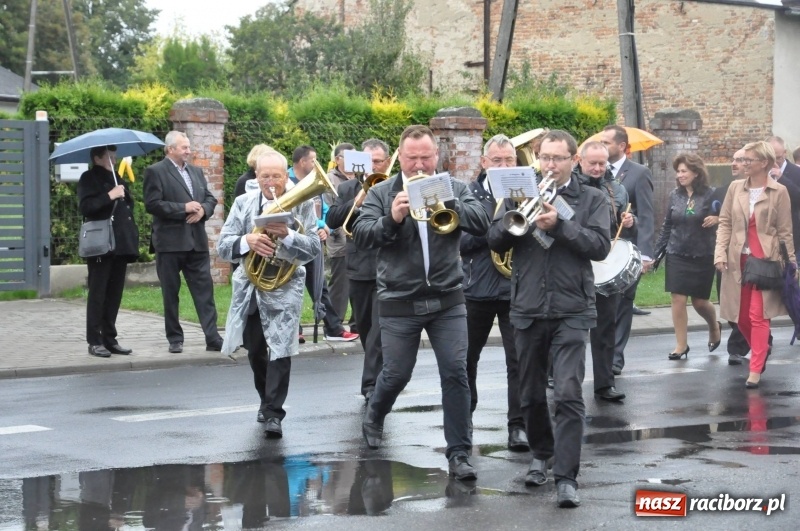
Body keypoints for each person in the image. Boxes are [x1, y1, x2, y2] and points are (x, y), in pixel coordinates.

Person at [352, 125, 490, 481]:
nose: (419, 165)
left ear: (436, 157)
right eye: (412, 158)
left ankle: (459, 453)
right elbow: (363, 236)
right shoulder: (382, 192)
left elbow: (483, 223)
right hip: (399, 299)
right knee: (397, 373)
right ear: (401, 157)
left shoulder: (455, 187)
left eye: (425, 157)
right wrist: (392, 219)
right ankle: (375, 413)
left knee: (455, 372)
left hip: (448, 298)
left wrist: (450, 201)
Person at [488, 130, 610, 508]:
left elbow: (600, 246)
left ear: (574, 160)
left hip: (572, 308)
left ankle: (566, 476)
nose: (551, 165)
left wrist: (560, 226)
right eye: (545, 158)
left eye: (559, 158)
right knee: (530, 392)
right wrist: (514, 219)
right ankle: (541, 453)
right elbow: (494, 240)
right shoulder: (518, 195)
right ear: (537, 160)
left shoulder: (592, 198)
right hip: (526, 307)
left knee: (570, 394)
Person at [218, 151, 321, 436]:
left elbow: (313, 248)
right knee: (255, 350)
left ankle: (275, 412)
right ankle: (265, 399)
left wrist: (288, 235)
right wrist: (247, 240)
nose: (271, 182)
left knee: (281, 349)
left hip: (285, 288)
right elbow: (222, 246)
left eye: (277, 176)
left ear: (286, 176)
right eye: (265, 176)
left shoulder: (301, 205)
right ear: (257, 177)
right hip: (251, 288)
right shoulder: (243, 203)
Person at [459, 134, 527, 450]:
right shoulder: (468, 195)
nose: (502, 166)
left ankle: (518, 427)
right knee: (467, 359)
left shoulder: (525, 193)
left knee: (519, 361)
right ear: (484, 163)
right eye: (496, 161)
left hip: (515, 289)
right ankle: (466, 420)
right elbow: (458, 243)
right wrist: (494, 235)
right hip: (477, 289)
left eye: (508, 160)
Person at [715, 141, 795, 389]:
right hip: (737, 260)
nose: (743, 164)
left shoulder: (779, 191)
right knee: (740, 318)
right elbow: (725, 222)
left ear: (764, 163)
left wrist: (790, 264)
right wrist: (719, 252)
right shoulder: (735, 188)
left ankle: (755, 367)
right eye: (743, 160)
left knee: (758, 315)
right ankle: (762, 347)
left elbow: (785, 232)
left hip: (765, 262)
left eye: (749, 160)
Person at [144, 131, 224, 353]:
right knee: (171, 294)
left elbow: (210, 198)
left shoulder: (196, 172)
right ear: (170, 149)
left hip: (196, 242)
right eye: (184, 148)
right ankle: (175, 338)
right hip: (169, 244)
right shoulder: (155, 172)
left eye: (188, 147)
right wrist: (184, 208)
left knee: (205, 292)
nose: (189, 151)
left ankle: (212, 337)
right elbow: (152, 204)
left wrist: (203, 212)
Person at [326, 138, 390, 401]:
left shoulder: (395, 186)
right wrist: (358, 199)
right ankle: (378, 370)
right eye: (368, 161)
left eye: (377, 161)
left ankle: (371, 385)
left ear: (386, 163)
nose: (373, 166)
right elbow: (333, 219)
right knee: (364, 326)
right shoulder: (350, 187)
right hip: (359, 265)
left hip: (388, 266)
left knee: (378, 328)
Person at [576, 141, 634, 401]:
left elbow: (623, 223)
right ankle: (557, 376)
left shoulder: (617, 189)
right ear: (580, 160)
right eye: (593, 163)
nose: (598, 168)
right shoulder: (570, 186)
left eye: (603, 163)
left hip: (604, 265)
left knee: (605, 328)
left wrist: (629, 221)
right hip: (573, 264)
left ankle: (604, 384)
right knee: (567, 326)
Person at [654, 153, 721, 360]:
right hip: (677, 252)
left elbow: (730, 216)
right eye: (678, 171)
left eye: (684, 171)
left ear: (696, 173)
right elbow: (668, 224)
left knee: (700, 302)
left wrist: (718, 218)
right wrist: (658, 251)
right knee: (678, 298)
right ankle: (681, 345)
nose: (679, 175)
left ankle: (714, 326)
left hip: (702, 253)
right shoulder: (675, 194)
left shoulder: (712, 194)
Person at [600, 125, 655, 374]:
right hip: (600, 249)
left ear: (621, 146)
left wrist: (645, 254)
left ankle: (615, 359)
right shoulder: (596, 170)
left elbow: (648, 214)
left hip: (627, 252)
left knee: (622, 305)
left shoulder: (639, 173)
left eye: (607, 143)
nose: (602, 147)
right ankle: (601, 355)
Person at [77, 145, 139, 357]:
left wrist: (122, 193)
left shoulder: (116, 177)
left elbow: (128, 206)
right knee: (98, 293)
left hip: (119, 244)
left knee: (114, 294)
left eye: (115, 156)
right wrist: (109, 195)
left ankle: (109, 338)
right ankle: (94, 340)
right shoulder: (89, 178)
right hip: (100, 246)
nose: (114, 160)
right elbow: (86, 207)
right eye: (110, 157)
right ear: (97, 158)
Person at [323, 142, 357, 333]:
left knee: (358, 285)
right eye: (348, 158)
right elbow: (329, 209)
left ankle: (356, 324)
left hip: (360, 241)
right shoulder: (330, 180)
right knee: (340, 286)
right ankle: (334, 326)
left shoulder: (363, 179)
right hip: (340, 240)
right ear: (337, 160)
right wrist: (338, 231)